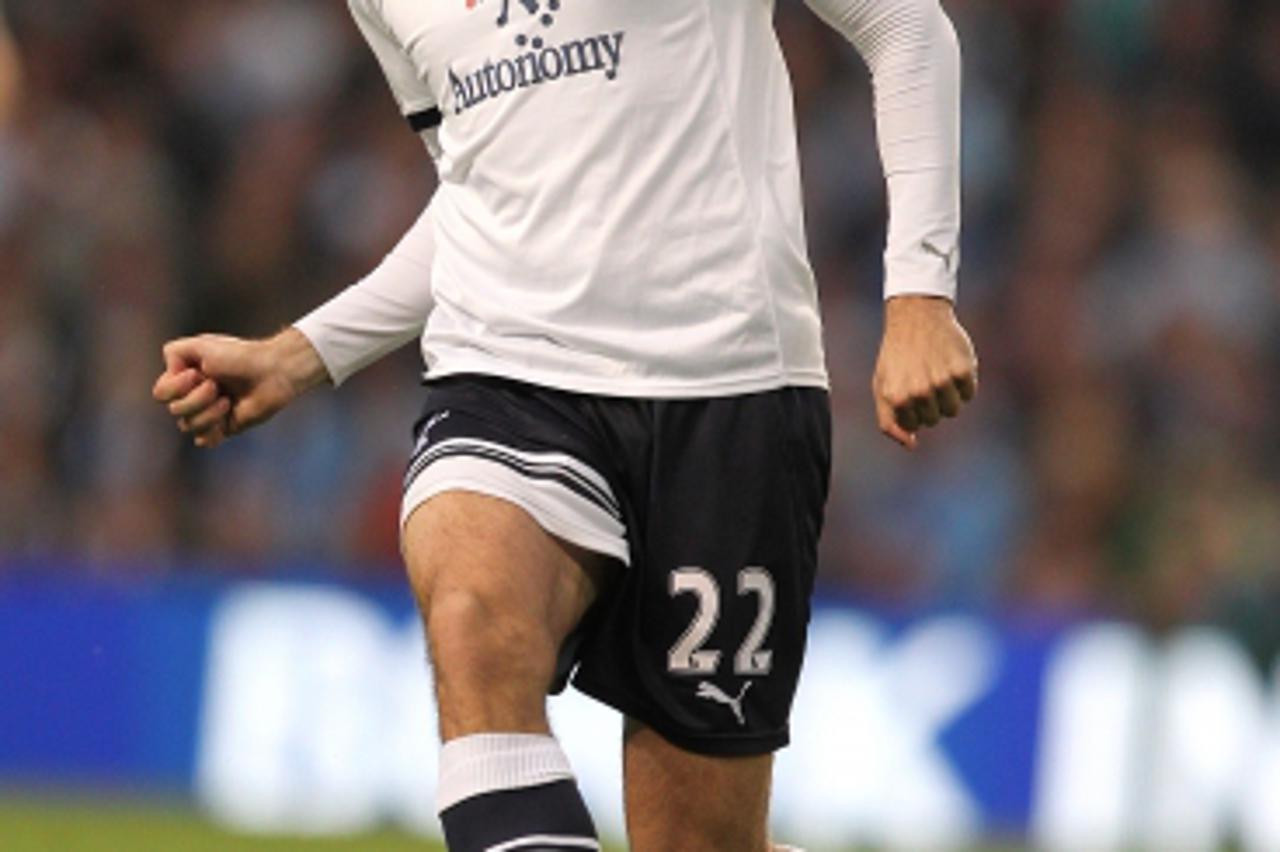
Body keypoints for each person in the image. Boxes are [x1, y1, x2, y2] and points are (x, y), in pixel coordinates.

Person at [153, 0, 977, 848]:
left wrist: (919, 293)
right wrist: (301, 354)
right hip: (506, 374)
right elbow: (482, 183)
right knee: (473, 619)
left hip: (728, 390)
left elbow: (905, 26)